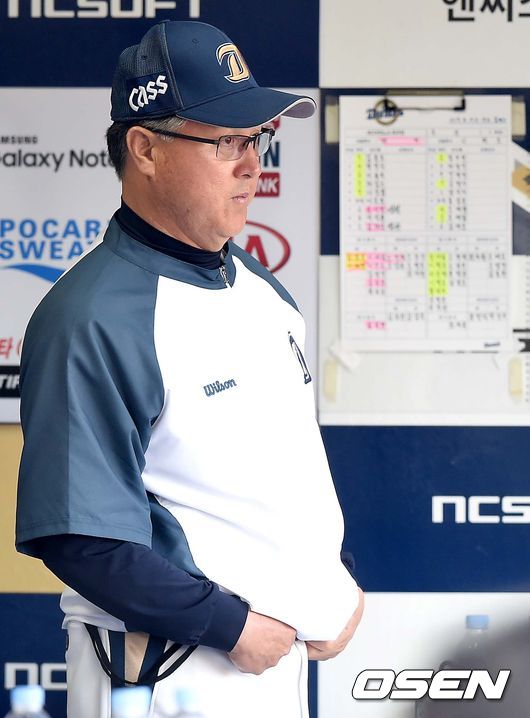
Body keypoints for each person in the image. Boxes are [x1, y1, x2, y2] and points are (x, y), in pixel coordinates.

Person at [16, 20, 364, 718]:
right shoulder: (92, 316)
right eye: (226, 142)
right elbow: (80, 535)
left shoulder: (262, 288)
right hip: (170, 668)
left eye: (259, 139)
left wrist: (332, 583)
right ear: (145, 149)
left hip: (275, 664)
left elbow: (282, 473)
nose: (253, 165)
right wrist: (232, 628)